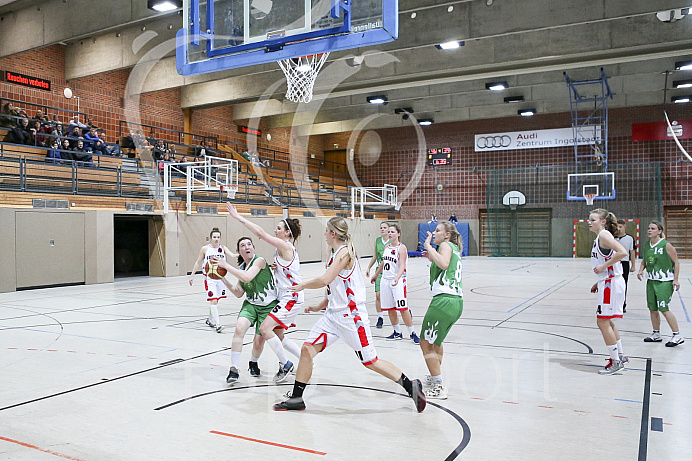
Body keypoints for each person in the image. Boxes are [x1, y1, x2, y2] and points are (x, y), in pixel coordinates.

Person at [272, 217, 427, 413]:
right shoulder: (335, 254)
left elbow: (325, 279)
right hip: (332, 316)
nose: (325, 235)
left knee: (370, 361)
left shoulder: (345, 253)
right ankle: (296, 398)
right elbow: (335, 287)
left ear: (333, 234)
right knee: (306, 350)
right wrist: (320, 305)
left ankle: (410, 386)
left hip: (351, 317)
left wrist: (302, 285)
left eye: (327, 231)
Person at [226, 203, 303, 383]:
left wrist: (238, 217)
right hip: (285, 296)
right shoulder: (280, 250)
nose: (275, 230)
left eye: (278, 228)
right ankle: (305, 360)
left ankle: (286, 364)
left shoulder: (285, 246)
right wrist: (275, 269)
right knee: (278, 336)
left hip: (290, 297)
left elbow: (260, 233)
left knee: (265, 329)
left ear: (287, 233)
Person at [213, 236, 279, 383]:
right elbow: (238, 292)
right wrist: (221, 278)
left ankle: (253, 362)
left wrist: (226, 266)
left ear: (253, 248)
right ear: (239, 251)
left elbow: (247, 278)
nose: (247, 247)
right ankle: (234, 369)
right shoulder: (242, 268)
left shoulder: (259, 261)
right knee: (239, 328)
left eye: (249, 244)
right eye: (243, 245)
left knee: (258, 341)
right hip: (251, 305)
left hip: (267, 305)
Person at [420, 221, 464, 399]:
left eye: (438, 231)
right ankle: (434, 378)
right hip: (455, 301)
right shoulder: (452, 248)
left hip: (444, 301)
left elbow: (444, 264)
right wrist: (431, 255)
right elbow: (443, 264)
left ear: (447, 235)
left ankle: (438, 386)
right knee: (435, 343)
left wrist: (428, 246)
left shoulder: (445, 245)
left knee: (425, 343)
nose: (434, 233)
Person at [588, 208, 628, 375]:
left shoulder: (604, 235)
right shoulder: (601, 237)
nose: (589, 222)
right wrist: (600, 280)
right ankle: (619, 356)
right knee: (608, 322)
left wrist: (603, 267)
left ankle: (616, 362)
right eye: (589, 219)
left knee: (602, 322)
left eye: (593, 219)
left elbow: (622, 252)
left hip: (611, 284)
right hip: (608, 282)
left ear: (603, 221)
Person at [637, 221, 685, 347]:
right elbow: (645, 259)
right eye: (648, 228)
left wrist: (676, 279)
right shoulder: (647, 244)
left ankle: (677, 335)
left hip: (664, 281)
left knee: (664, 309)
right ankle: (656, 334)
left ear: (659, 231)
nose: (649, 230)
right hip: (651, 281)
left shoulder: (666, 245)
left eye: (652, 228)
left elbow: (676, 262)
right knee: (652, 309)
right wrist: (641, 270)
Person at [370, 223, 420, 344]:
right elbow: (383, 263)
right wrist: (376, 275)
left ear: (398, 234)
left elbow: (402, 265)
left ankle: (412, 333)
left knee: (403, 308)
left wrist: (397, 278)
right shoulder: (387, 247)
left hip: (397, 280)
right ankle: (397, 332)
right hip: (385, 280)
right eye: (389, 232)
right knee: (390, 308)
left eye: (393, 232)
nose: (390, 233)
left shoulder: (401, 248)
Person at [188, 227, 235, 333]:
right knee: (213, 301)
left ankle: (210, 320)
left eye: (218, 237)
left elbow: (232, 255)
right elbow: (197, 262)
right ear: (210, 238)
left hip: (221, 279)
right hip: (209, 279)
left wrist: (243, 254)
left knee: (215, 301)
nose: (216, 239)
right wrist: (192, 276)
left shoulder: (223, 248)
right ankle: (218, 324)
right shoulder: (205, 249)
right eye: (214, 237)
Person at [365, 221, 390, 329]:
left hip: (390, 271)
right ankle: (380, 317)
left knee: (392, 296)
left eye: (384, 227)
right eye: (381, 228)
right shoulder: (377, 241)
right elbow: (375, 256)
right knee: (378, 295)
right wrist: (369, 267)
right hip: (379, 270)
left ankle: (406, 310)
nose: (382, 229)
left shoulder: (392, 241)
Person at [615, 219, 636, 313]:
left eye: (620, 227)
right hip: (614, 263)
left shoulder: (630, 238)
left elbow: (632, 252)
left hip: (624, 263)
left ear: (624, 227)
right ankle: (613, 303)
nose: (618, 229)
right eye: (617, 227)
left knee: (623, 284)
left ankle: (622, 304)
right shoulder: (612, 238)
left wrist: (633, 265)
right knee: (613, 283)